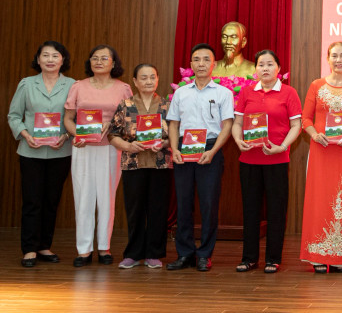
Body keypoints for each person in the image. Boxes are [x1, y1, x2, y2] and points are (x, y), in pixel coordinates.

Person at [231, 49, 302, 273]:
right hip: (249, 160)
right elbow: (237, 123)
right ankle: (249, 258)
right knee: (250, 210)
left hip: (277, 160)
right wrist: (237, 140)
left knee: (276, 211)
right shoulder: (247, 92)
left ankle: (273, 258)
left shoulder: (289, 93)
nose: (265, 68)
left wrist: (283, 146)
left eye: (270, 64)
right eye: (261, 64)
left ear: (278, 69)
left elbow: (296, 126)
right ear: (256, 69)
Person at [166, 43, 234, 272]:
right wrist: (174, 149)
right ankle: (185, 254)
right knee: (184, 204)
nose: (201, 63)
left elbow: (227, 126)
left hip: (210, 150)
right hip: (184, 150)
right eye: (197, 59)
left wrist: (213, 152)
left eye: (206, 59)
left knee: (208, 204)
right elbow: (173, 123)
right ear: (191, 64)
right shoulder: (181, 92)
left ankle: (205, 254)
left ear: (214, 64)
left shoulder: (223, 93)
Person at [64, 45, 133, 267]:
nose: (99, 61)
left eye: (105, 58)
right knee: (83, 198)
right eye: (95, 58)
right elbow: (68, 119)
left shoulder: (123, 88)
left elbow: (130, 122)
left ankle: (104, 247)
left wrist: (110, 124)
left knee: (107, 198)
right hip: (83, 148)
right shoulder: (78, 86)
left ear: (114, 63)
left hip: (111, 148)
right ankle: (83, 250)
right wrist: (79, 134)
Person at [8, 41, 75, 267]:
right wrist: (26, 135)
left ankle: (44, 246)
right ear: (38, 60)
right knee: (32, 200)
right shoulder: (26, 84)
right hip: (30, 151)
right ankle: (29, 249)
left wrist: (65, 136)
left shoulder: (72, 85)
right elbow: (14, 116)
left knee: (51, 200)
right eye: (45, 55)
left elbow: (75, 119)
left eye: (55, 55)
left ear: (62, 60)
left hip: (60, 151)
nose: (49, 60)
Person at [299, 42, 342, 273]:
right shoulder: (316, 85)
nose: (339, 60)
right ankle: (317, 253)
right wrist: (315, 135)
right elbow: (305, 119)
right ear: (327, 59)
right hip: (322, 150)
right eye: (334, 56)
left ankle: (341, 254)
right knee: (319, 197)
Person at [107, 63, 173, 269]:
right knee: (134, 210)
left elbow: (174, 134)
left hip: (160, 164)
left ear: (158, 79)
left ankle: (154, 253)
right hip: (132, 164)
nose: (148, 81)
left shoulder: (166, 105)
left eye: (152, 77)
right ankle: (133, 254)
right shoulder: (125, 105)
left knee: (157, 210)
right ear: (135, 82)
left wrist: (164, 143)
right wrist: (128, 145)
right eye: (143, 78)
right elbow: (112, 134)